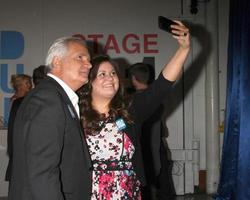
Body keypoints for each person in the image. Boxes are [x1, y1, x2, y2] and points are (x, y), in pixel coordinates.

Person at [80, 20, 190, 199]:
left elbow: (161, 86)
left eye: (113, 73)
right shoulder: (77, 114)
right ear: (89, 82)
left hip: (128, 192)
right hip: (90, 193)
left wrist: (183, 49)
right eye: (102, 74)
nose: (110, 78)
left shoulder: (129, 110)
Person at [8, 36, 92, 200]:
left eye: (89, 60)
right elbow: (42, 172)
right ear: (57, 62)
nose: (89, 64)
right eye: (80, 57)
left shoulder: (54, 96)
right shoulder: (48, 99)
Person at [129, 63, 176, 200]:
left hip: (143, 148)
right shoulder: (156, 100)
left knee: (148, 188)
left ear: (133, 78)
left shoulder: (132, 102)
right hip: (157, 147)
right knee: (164, 186)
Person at [5, 74, 32, 182]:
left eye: (30, 83)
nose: (30, 85)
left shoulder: (20, 100)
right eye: (27, 83)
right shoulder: (18, 101)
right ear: (19, 86)